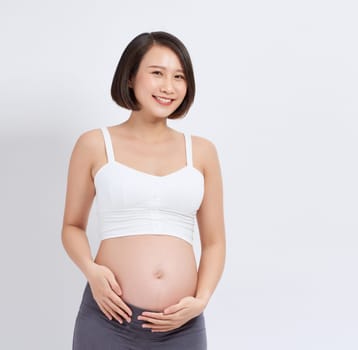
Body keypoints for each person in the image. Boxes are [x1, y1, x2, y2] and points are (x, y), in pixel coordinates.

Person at [61, 31, 226, 349]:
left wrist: (201, 300)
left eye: (179, 76)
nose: (169, 86)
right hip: (109, 320)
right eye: (157, 73)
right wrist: (92, 272)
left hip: (181, 326)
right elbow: (72, 227)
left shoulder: (202, 152)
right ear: (130, 77)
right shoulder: (95, 144)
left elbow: (215, 242)